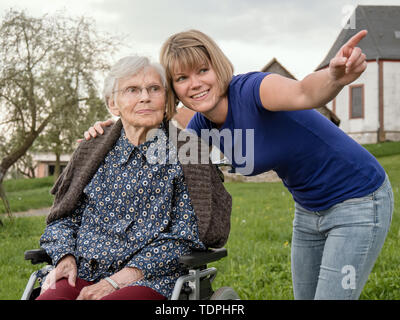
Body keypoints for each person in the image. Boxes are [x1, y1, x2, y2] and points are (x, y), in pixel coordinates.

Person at [85, 29, 394, 300]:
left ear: (217, 68)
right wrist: (117, 128)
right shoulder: (200, 128)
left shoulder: (252, 91)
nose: (195, 84)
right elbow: (157, 153)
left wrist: (333, 77)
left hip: (359, 199)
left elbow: (304, 91)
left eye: (202, 70)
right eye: (181, 78)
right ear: (173, 89)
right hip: (309, 209)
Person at [36, 55, 231, 300]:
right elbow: (62, 219)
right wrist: (64, 257)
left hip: (151, 278)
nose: (145, 97)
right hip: (83, 270)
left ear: (166, 100)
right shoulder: (92, 150)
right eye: (132, 89)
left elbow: (185, 237)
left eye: (154, 89)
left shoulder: (188, 154)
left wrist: (115, 281)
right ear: (113, 104)